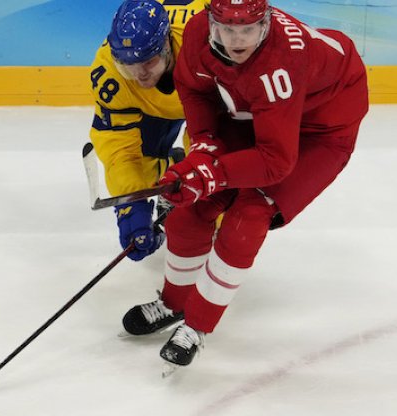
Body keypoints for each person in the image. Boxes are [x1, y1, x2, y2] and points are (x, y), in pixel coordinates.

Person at [121, 0, 369, 369]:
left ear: (266, 24)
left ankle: (197, 326)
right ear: (210, 24)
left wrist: (210, 174)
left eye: (248, 30)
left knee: (246, 219)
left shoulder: (281, 62)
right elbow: (195, 90)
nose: (238, 41)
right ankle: (173, 304)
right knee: (189, 214)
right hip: (261, 113)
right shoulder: (195, 34)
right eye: (228, 31)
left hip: (320, 130)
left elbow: (275, 161)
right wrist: (203, 150)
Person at [88, 0, 208, 262]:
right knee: (140, 169)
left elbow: (212, 136)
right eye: (128, 67)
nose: (140, 75)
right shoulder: (109, 70)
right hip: (151, 109)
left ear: (166, 44)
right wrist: (130, 202)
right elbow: (118, 146)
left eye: (148, 63)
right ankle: (170, 167)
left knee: (216, 207)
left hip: (204, 99)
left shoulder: (206, 47)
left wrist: (202, 174)